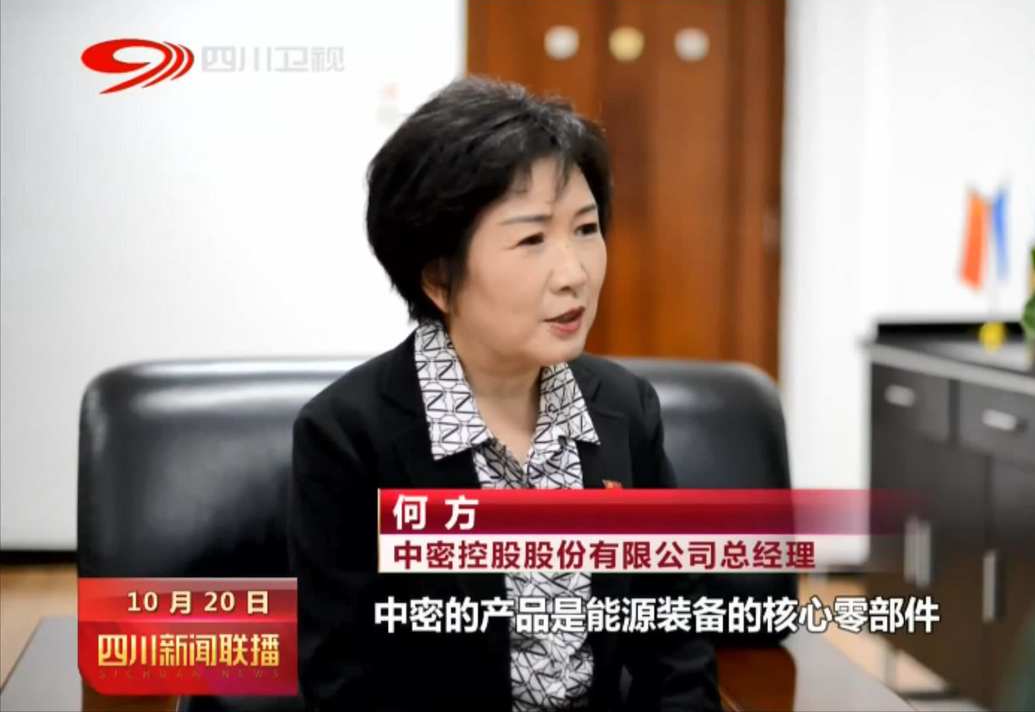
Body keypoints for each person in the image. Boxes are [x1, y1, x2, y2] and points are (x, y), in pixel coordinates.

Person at [286, 76, 721, 712]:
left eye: (586, 229)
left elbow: (675, 644)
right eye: (532, 239)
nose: (574, 273)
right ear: (439, 277)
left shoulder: (625, 409)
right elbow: (345, 689)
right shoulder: (347, 437)